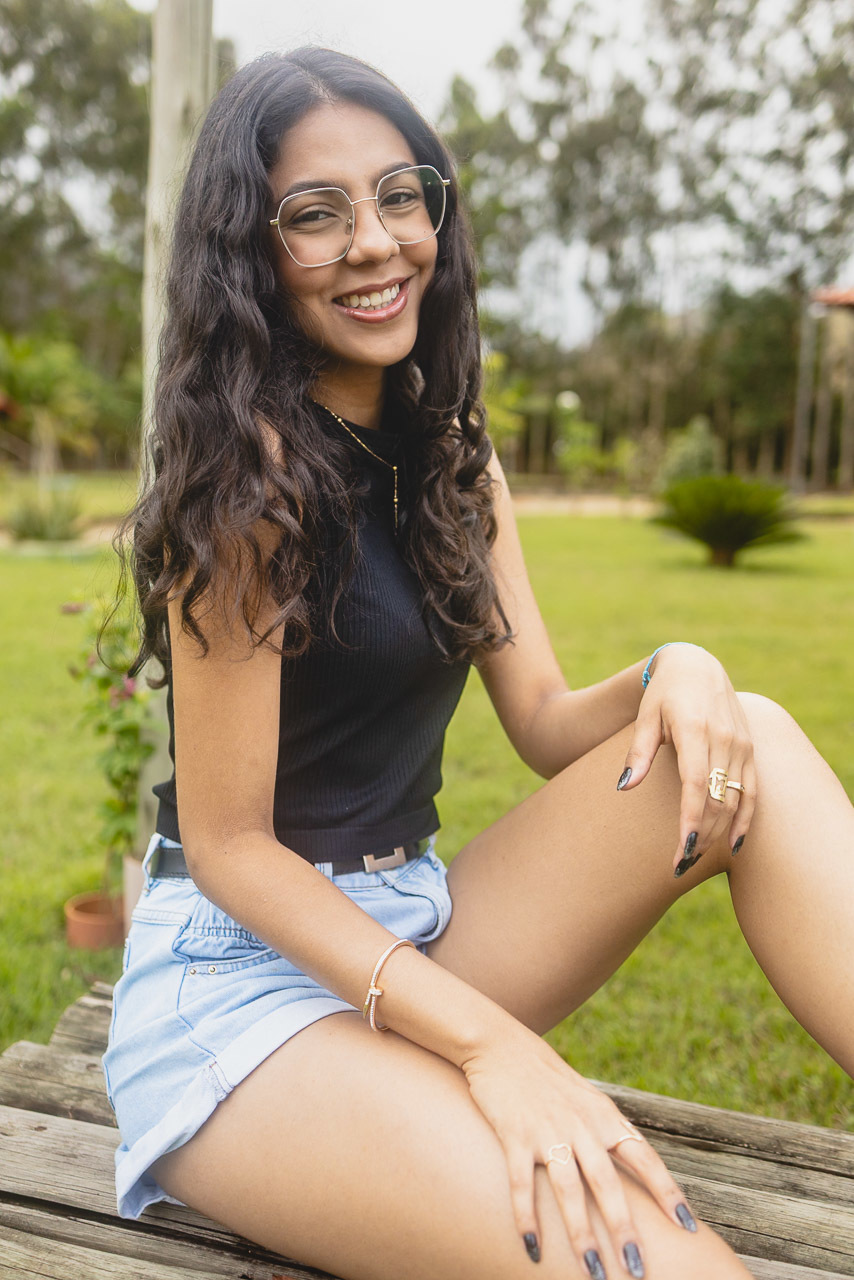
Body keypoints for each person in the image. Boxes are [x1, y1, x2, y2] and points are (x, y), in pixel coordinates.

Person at [104, 46, 853, 1280]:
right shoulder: (243, 489)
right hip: (245, 993)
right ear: (251, 251)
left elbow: (551, 720)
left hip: (420, 921)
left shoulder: (451, 458)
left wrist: (677, 661)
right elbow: (233, 849)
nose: (375, 241)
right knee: (665, 1266)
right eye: (316, 213)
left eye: (401, 196)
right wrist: (496, 1047)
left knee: (747, 731)